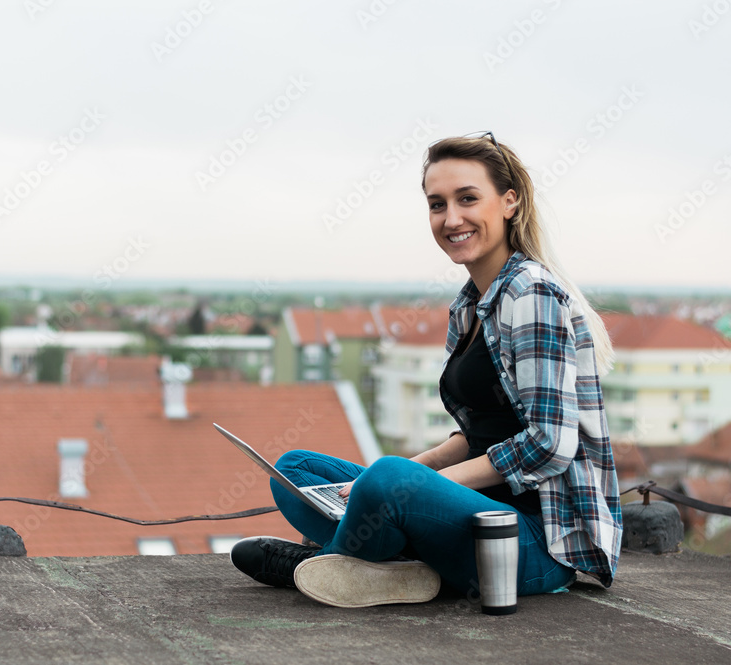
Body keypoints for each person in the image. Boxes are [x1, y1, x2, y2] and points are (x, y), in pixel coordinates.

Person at [230, 132, 623, 608]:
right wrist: (413, 473)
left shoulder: (532, 295)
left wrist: (415, 485)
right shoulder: (470, 305)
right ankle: (391, 569)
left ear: (509, 202)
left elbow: (549, 445)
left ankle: (318, 567)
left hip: (531, 542)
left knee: (388, 479)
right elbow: (479, 432)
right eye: (438, 205)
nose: (451, 218)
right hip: (466, 515)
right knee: (293, 470)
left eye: (468, 199)